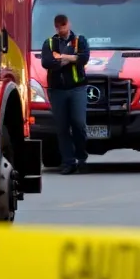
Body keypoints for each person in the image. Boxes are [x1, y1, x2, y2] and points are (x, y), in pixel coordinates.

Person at [41, 14, 90, 174]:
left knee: (78, 123)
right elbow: (47, 62)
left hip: (77, 89)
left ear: (69, 24)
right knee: (62, 127)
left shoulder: (79, 40)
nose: (61, 29)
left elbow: (84, 58)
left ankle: (81, 157)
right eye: (58, 26)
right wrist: (71, 59)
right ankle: (68, 162)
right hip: (57, 91)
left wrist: (63, 57)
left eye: (63, 25)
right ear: (55, 27)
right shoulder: (50, 42)